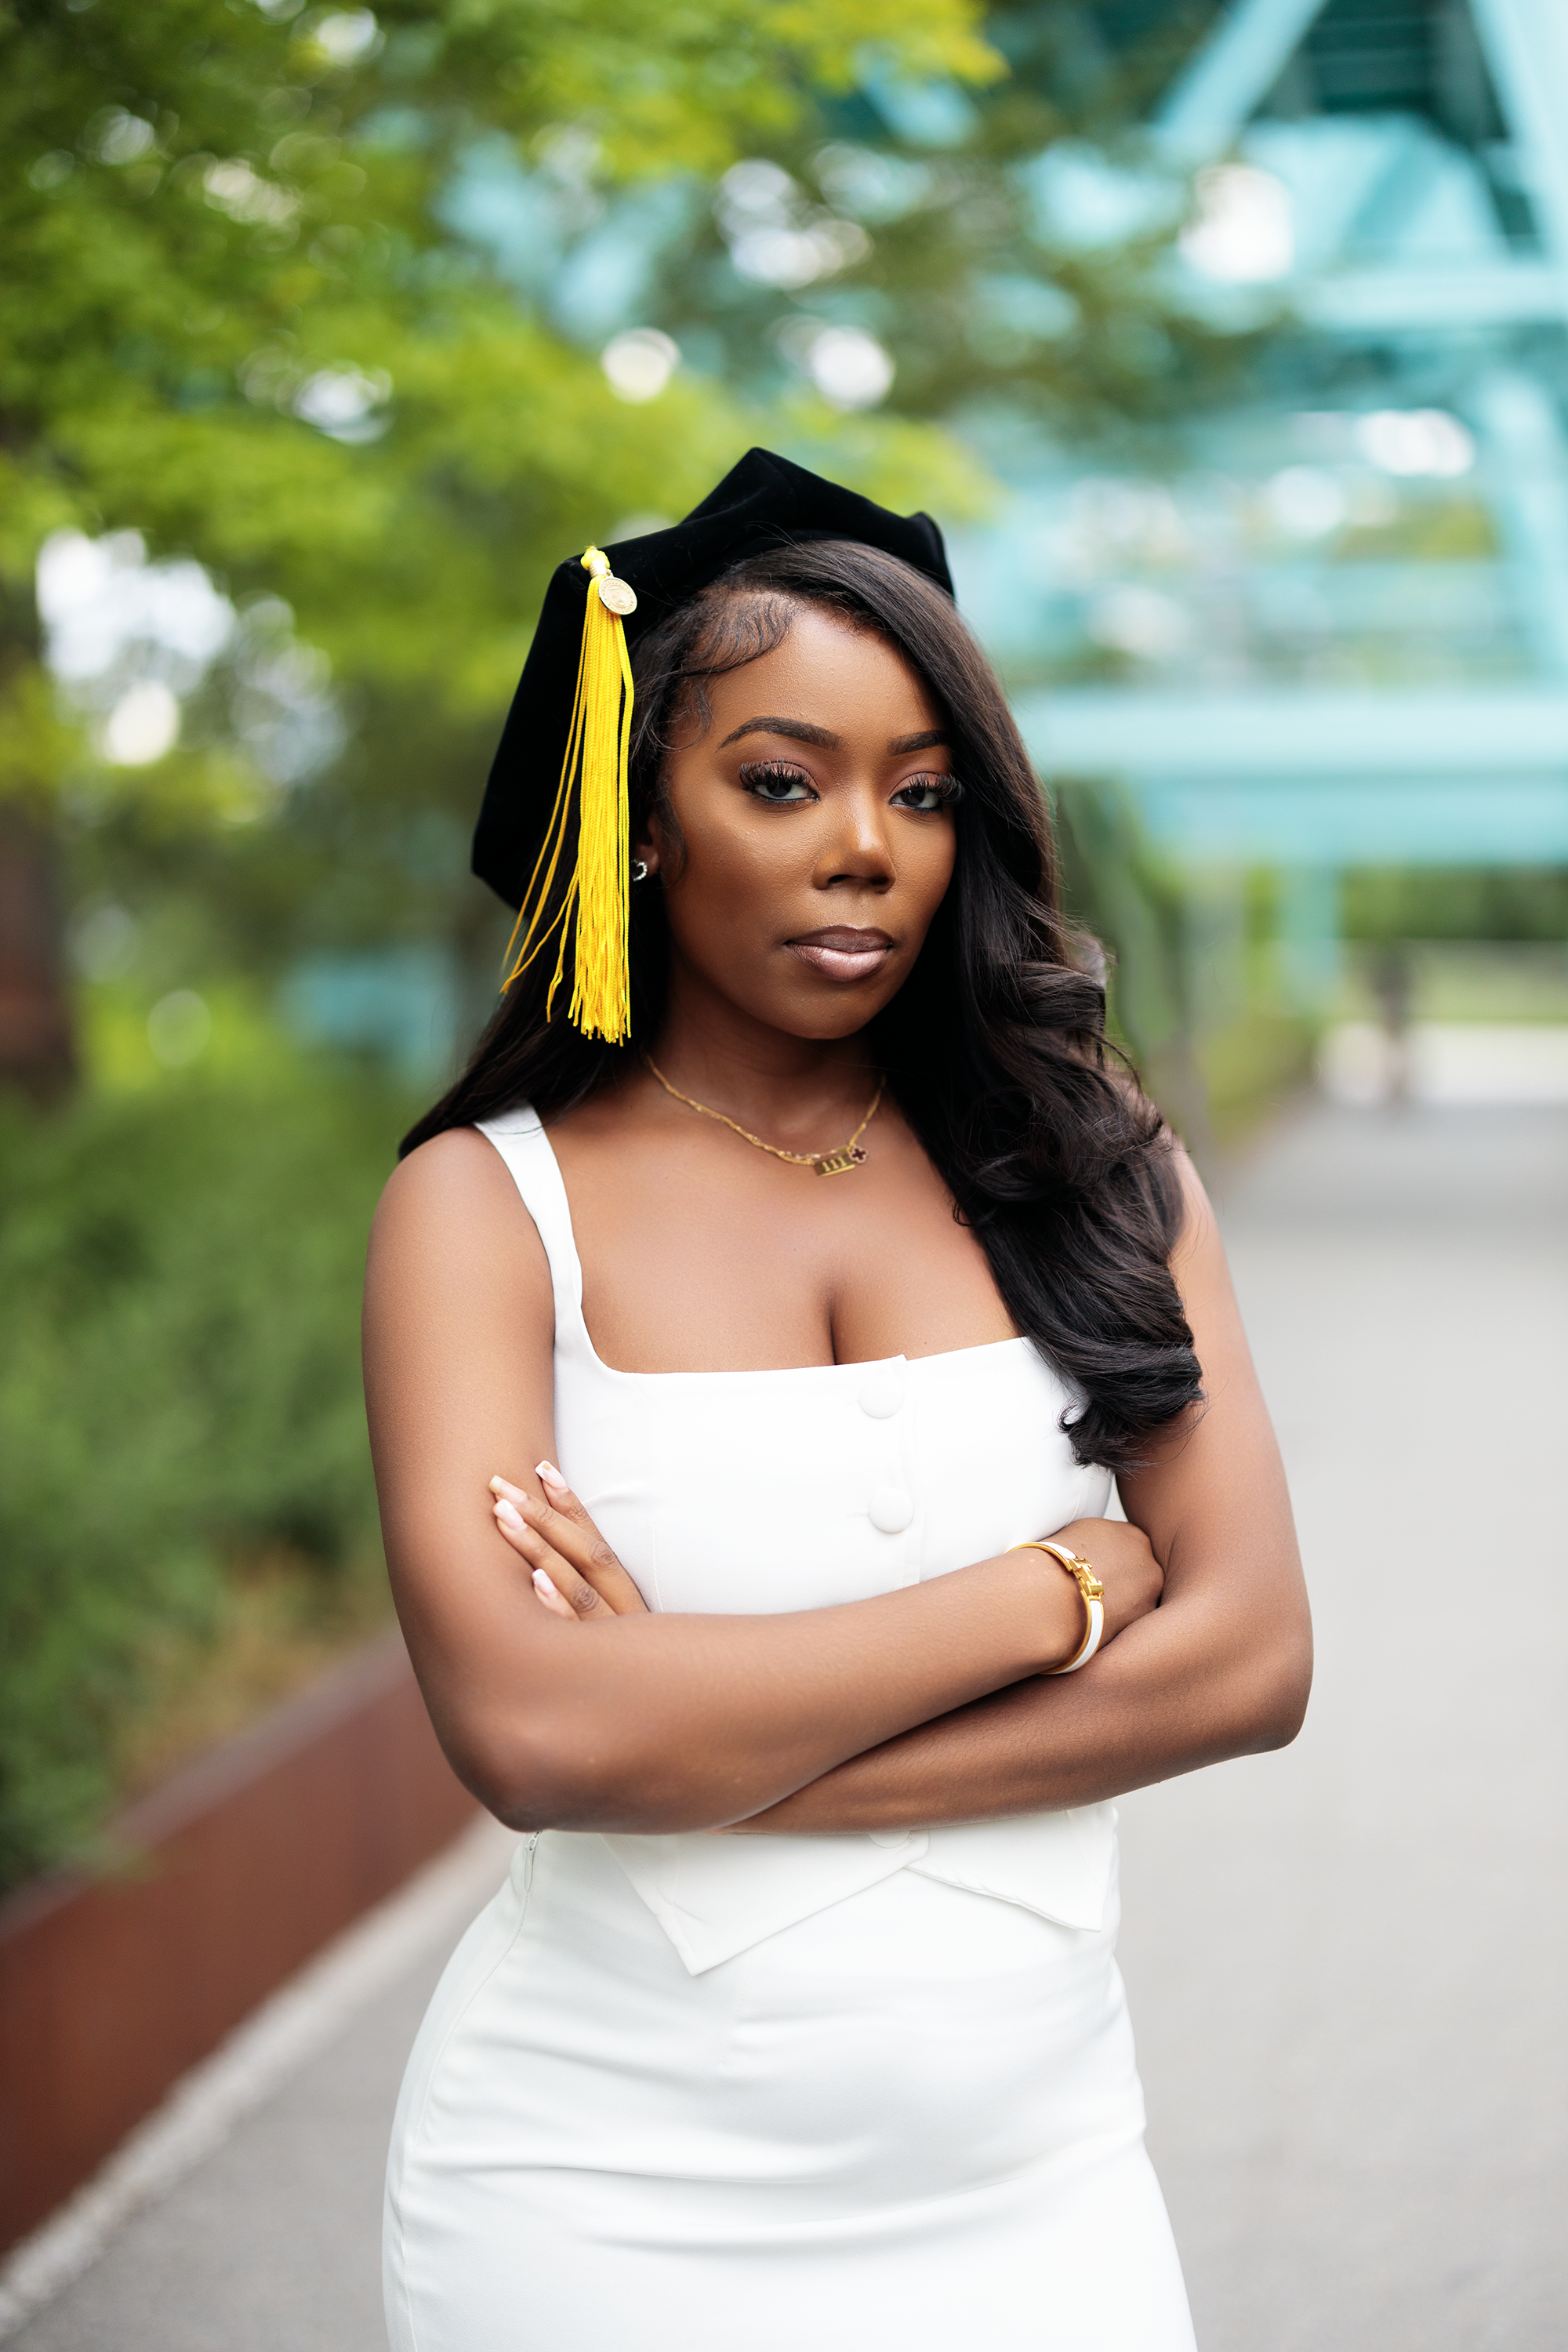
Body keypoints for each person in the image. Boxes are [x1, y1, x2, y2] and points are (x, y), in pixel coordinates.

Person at [364, 448, 1311, 2352]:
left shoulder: (1093, 1163)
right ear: (640, 820)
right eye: (781, 781)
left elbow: (1255, 1670)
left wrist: (710, 1744)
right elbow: (541, 1742)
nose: (865, 843)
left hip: (1044, 2196)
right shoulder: (485, 1211)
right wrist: (1062, 1590)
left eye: (924, 789)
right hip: (596, 2200)